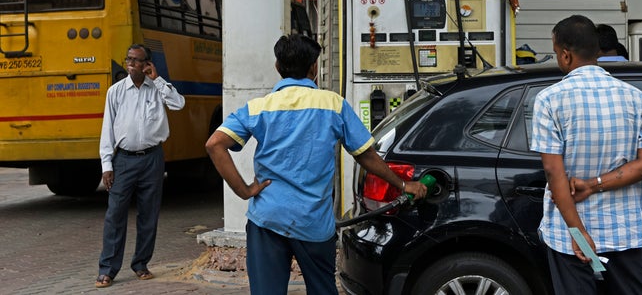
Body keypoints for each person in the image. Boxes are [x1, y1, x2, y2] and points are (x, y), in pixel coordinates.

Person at [205, 34, 428, 295]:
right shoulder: (333, 105)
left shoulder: (258, 108)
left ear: (278, 67)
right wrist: (404, 184)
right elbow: (366, 155)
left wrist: (244, 191)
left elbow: (214, 144)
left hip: (268, 218)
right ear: (314, 68)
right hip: (313, 222)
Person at [530, 15, 642, 295]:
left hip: (569, 236)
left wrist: (579, 234)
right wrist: (594, 184)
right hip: (624, 231)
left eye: (556, 53)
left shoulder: (550, 99)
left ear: (565, 55)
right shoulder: (637, 98)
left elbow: (555, 174)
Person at [95, 44, 185, 289]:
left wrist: (158, 81)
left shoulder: (156, 88)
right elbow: (107, 130)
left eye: (137, 61)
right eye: (129, 60)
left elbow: (178, 104)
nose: (131, 64)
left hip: (152, 158)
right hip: (123, 160)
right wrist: (107, 164)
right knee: (115, 215)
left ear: (147, 64)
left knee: (148, 214)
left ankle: (141, 264)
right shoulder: (115, 92)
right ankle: (107, 270)